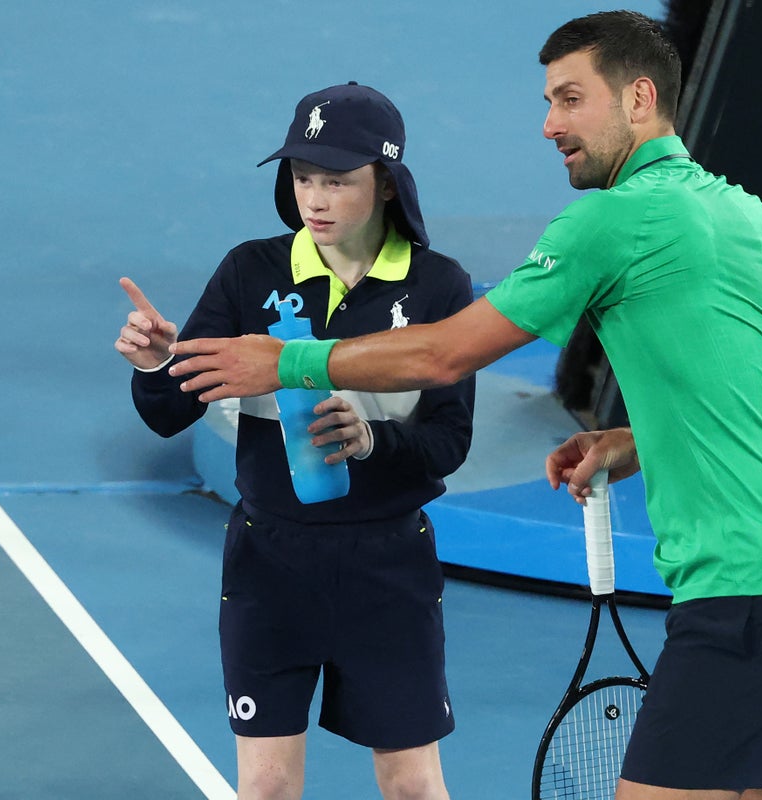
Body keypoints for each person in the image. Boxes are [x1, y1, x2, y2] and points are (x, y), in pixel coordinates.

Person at [165, 10, 762, 800]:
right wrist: (636, 441)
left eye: (568, 99)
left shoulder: (612, 219)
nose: (547, 124)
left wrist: (287, 358)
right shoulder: (760, 221)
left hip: (739, 592)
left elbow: (443, 352)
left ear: (637, 98)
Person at [115, 82, 474, 800]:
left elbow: (447, 443)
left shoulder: (438, 289)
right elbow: (167, 412)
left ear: (388, 184)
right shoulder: (252, 272)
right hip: (269, 564)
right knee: (269, 787)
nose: (315, 198)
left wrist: (372, 442)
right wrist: (158, 362)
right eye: (303, 178)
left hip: (388, 568)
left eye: (337, 181)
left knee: (411, 785)